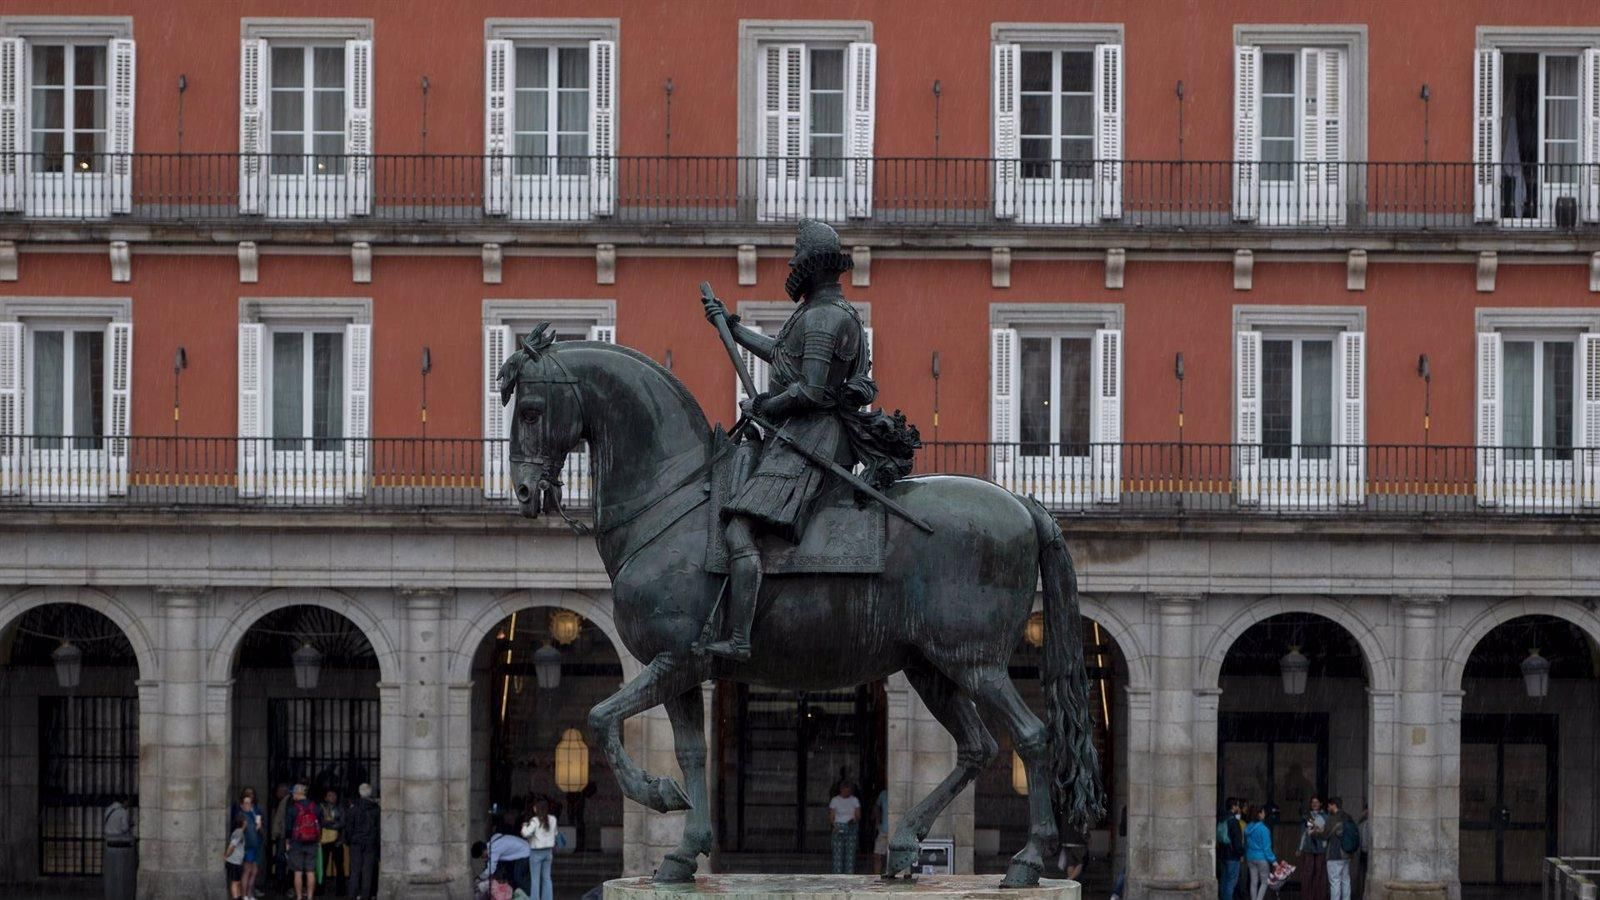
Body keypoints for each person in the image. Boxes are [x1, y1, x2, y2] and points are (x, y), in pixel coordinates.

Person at [699, 219, 915, 661]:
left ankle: (740, 639)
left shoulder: (822, 318)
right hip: (805, 432)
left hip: (811, 438)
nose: (792, 262)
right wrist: (733, 330)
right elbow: (784, 355)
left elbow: (811, 391)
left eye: (797, 254)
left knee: (739, 528)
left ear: (813, 265)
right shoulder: (827, 312)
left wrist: (765, 406)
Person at [285, 783, 324, 900]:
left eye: (293, 793)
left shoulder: (292, 809)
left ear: (298, 793)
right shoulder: (316, 807)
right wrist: (318, 840)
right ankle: (310, 897)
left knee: (298, 871)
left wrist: (287, 842)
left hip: (296, 842)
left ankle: (299, 897)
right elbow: (320, 825)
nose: (292, 795)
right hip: (312, 842)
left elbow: (288, 828)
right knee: (310, 871)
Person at [345, 783, 381, 900]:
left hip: (356, 843)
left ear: (359, 792)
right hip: (370, 843)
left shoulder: (353, 808)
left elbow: (349, 827)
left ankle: (352, 895)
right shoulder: (376, 809)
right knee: (367, 872)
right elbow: (379, 828)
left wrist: (349, 840)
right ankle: (366, 896)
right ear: (370, 793)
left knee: (354, 871)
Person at [521, 797, 558, 900]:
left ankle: (535, 898)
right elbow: (555, 833)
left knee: (535, 879)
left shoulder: (534, 820)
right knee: (547, 878)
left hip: (536, 852)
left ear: (536, 808)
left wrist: (524, 825)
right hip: (548, 852)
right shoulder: (553, 819)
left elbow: (525, 833)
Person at [483, 822, 532, 896]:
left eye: (482, 856)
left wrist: (480, 877)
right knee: (518, 876)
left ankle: (532, 895)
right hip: (524, 849)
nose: (484, 857)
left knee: (518, 877)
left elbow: (491, 868)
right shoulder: (493, 839)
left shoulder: (494, 849)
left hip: (525, 853)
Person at [103, 796, 136, 900]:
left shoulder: (108, 809)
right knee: (121, 871)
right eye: (127, 803)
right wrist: (131, 824)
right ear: (124, 801)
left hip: (108, 842)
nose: (128, 805)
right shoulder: (122, 812)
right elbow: (124, 828)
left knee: (110, 872)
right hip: (120, 842)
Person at [1325, 797, 1357, 900]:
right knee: (1345, 881)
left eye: (1329, 805)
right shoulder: (1348, 817)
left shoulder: (1333, 818)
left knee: (1335, 882)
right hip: (1347, 853)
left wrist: (1313, 832)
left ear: (1334, 805)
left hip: (1335, 853)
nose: (1328, 807)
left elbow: (1325, 834)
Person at [1298, 796, 1328, 900]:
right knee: (1308, 875)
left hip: (1320, 850)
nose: (1315, 804)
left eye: (1317, 802)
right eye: (1313, 802)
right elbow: (1304, 834)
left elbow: (1326, 833)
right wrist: (1300, 848)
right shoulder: (1308, 817)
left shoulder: (1325, 817)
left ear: (1321, 804)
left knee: (1320, 875)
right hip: (1309, 849)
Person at [827, 782, 862, 874]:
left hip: (851, 825)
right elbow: (831, 816)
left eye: (849, 790)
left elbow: (858, 815)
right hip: (839, 826)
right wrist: (834, 826)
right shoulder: (835, 800)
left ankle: (849, 874)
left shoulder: (854, 800)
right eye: (845, 790)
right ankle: (837, 874)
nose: (847, 792)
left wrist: (854, 820)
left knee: (850, 853)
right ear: (841, 790)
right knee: (837, 853)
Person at [1243, 804, 1275, 900]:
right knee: (1264, 882)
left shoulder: (1247, 828)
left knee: (1253, 882)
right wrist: (1274, 861)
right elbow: (1266, 848)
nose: (1264, 814)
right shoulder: (1264, 829)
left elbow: (1246, 844)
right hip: (1262, 858)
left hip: (1250, 857)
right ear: (1260, 814)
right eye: (1263, 812)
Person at [319, 789, 346, 896]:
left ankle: (340, 891)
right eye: (330, 795)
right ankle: (320, 889)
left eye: (334, 795)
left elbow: (343, 823)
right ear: (325, 798)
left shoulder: (340, 808)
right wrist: (334, 824)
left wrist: (329, 824)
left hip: (337, 841)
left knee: (339, 866)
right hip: (324, 840)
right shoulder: (321, 808)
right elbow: (320, 822)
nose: (333, 797)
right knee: (322, 865)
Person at [240, 793, 266, 900]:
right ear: (241, 805)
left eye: (250, 803)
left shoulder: (254, 814)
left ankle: (250, 895)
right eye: (246, 803)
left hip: (256, 846)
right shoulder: (241, 816)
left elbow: (261, 832)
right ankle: (244, 895)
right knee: (247, 871)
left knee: (254, 872)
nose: (248, 805)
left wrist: (259, 827)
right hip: (248, 847)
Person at [1218, 797, 1245, 900]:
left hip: (1223, 855)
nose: (1239, 808)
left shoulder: (1222, 818)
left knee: (1224, 882)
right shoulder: (1234, 821)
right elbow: (1237, 841)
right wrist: (1241, 853)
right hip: (1233, 856)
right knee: (1231, 883)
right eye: (1237, 805)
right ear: (1233, 807)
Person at [270, 784, 292, 892]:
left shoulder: (285, 801)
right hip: (294, 836)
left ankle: (281, 883)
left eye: (278, 791)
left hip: (284, 836)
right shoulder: (290, 801)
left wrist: (275, 834)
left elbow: (278, 818)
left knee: (281, 860)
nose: (277, 794)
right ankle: (287, 884)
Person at [226, 816, 247, 899]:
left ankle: (238, 897)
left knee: (237, 881)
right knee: (235, 882)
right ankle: (236, 897)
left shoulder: (240, 832)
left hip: (237, 861)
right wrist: (226, 855)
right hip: (234, 861)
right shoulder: (239, 832)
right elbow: (232, 845)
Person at [872, 788, 889, 875]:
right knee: (877, 855)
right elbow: (876, 806)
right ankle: (876, 876)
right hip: (883, 830)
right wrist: (878, 821)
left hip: (897, 831)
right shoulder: (883, 793)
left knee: (893, 856)